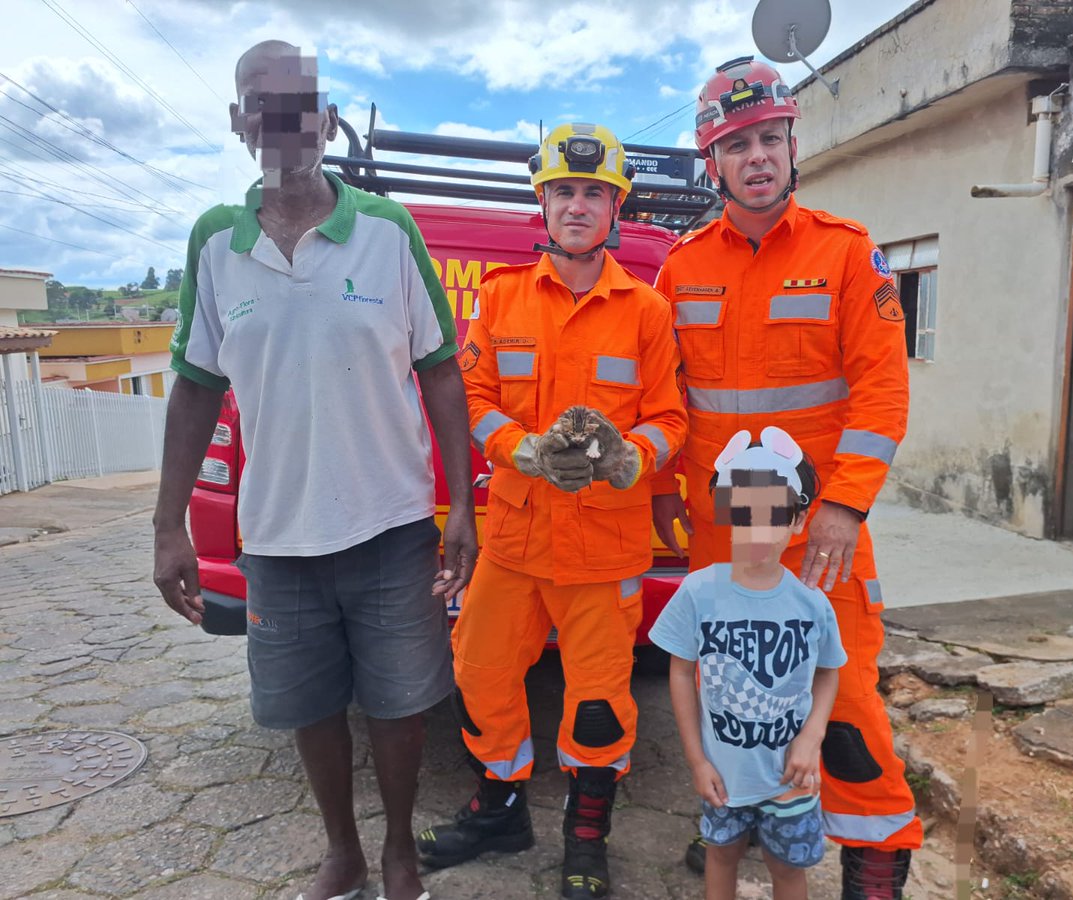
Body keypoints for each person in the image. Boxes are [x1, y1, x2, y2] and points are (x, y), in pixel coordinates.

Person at [152, 40, 476, 900]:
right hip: (279, 534)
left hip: (392, 522)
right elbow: (192, 387)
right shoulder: (216, 244)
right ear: (239, 122)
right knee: (306, 704)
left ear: (326, 121)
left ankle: (401, 849)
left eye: (300, 102)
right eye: (263, 102)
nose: (282, 119)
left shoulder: (386, 231)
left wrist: (460, 507)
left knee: (402, 701)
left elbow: (441, 368)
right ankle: (344, 851)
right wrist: (166, 526)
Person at [651, 56, 922, 898]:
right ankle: (746, 821)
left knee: (844, 707)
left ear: (792, 144)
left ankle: (875, 861)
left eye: (770, 138)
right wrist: (663, 495)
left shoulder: (846, 255)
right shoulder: (680, 267)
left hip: (817, 539)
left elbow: (882, 390)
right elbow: (665, 398)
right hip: (721, 537)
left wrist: (844, 504)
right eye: (738, 145)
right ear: (713, 163)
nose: (757, 157)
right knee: (734, 695)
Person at [416, 122, 687, 899]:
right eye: (564, 191)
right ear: (543, 202)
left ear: (616, 208)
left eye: (593, 192)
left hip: (605, 547)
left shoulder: (646, 310)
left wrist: (631, 454)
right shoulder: (501, 299)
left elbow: (671, 417)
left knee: (599, 701)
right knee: (478, 669)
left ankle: (587, 836)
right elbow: (472, 395)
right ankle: (501, 807)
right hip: (513, 538)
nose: (577, 205)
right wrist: (521, 450)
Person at [651, 427, 846, 900]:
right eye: (744, 512)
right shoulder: (697, 593)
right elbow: (680, 672)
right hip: (724, 776)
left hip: (791, 781)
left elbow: (828, 670)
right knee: (720, 856)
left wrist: (811, 738)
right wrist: (697, 760)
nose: (758, 528)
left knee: (787, 869)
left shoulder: (812, 604)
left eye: (774, 514)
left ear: (799, 520)